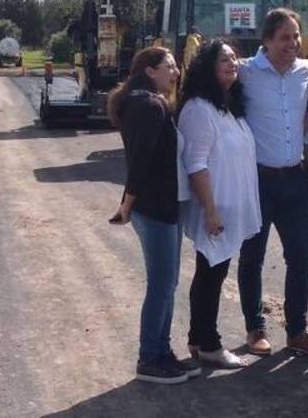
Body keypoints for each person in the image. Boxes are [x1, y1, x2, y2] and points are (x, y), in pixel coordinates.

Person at [237, 8, 308, 358]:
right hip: (257, 179)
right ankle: (254, 328)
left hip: (295, 178)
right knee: (252, 256)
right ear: (266, 40)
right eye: (284, 37)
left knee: (301, 257)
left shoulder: (304, 72)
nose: (292, 43)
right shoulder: (246, 72)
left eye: (295, 36)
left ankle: (297, 331)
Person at [108, 47, 200, 384]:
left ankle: (162, 352)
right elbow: (141, 161)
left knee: (167, 282)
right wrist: (127, 204)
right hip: (155, 207)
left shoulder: (141, 101)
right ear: (150, 70)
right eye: (170, 66)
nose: (175, 72)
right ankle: (149, 358)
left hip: (164, 205)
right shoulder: (149, 105)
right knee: (161, 285)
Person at [178, 39, 261, 368]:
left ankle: (199, 340)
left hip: (229, 208)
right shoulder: (199, 108)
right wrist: (210, 210)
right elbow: (195, 163)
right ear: (207, 67)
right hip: (216, 210)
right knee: (210, 276)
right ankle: (210, 344)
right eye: (224, 60)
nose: (233, 64)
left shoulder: (228, 107)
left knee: (211, 273)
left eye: (234, 59)